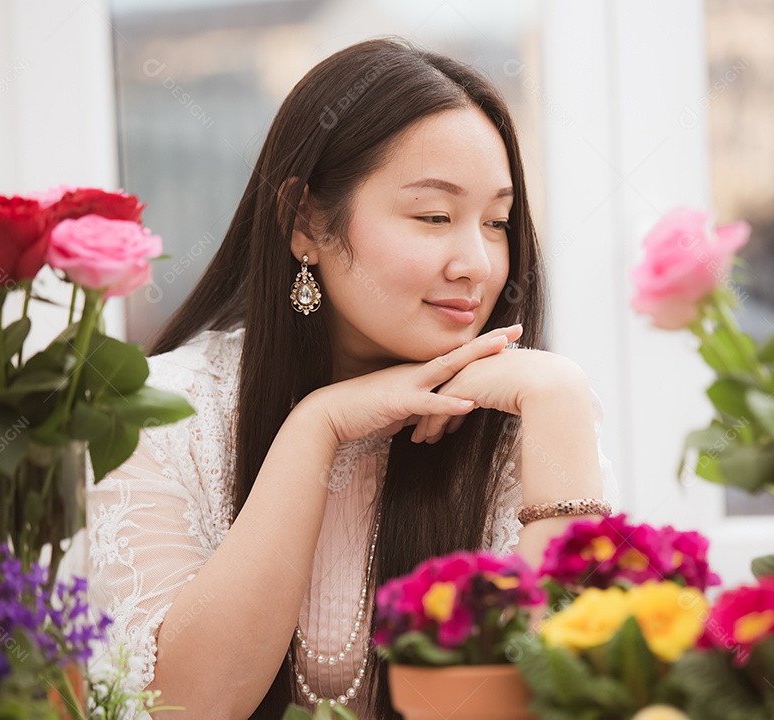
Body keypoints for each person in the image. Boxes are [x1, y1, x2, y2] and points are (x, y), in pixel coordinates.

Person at [87, 36, 617, 720]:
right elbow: (188, 707)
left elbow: (573, 700)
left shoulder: (532, 410)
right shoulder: (165, 416)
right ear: (305, 221)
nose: (477, 265)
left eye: (496, 222)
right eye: (434, 216)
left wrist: (562, 395)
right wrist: (317, 427)